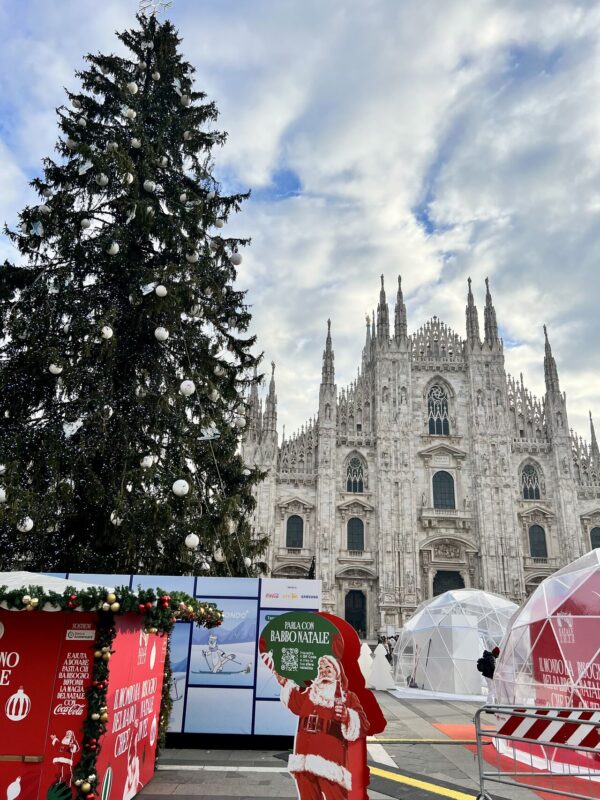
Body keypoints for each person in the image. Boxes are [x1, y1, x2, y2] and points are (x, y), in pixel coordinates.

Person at [274, 654, 369, 799]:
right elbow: (294, 703)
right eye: (320, 668)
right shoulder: (309, 694)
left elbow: (363, 724)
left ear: (337, 673)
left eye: (328, 667)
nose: (323, 671)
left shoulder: (347, 698)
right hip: (303, 760)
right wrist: (285, 683)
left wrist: (347, 716)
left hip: (330, 762)